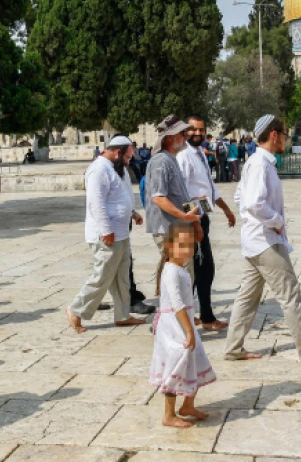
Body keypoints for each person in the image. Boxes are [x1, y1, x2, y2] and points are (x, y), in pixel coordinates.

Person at [224, 115, 301, 365]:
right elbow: (254, 203)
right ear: (274, 134)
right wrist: (275, 221)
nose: (286, 139)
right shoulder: (260, 165)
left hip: (254, 240)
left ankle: (233, 347)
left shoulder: (257, 162)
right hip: (266, 241)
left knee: (248, 296)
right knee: (290, 296)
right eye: (284, 134)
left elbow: (239, 198)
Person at [67, 136, 147, 333]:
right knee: (102, 276)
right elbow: (97, 203)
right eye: (128, 157)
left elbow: (120, 197)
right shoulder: (99, 169)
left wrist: (132, 213)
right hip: (106, 235)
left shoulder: (116, 169)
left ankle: (122, 315)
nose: (130, 161)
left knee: (122, 277)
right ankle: (76, 309)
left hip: (121, 233)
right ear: (118, 152)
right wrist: (106, 230)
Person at [150, 221, 217, 428]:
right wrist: (189, 329)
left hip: (183, 324)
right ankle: (168, 414)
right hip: (174, 328)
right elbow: (177, 303)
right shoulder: (171, 271)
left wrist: (191, 320)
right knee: (177, 364)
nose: (187, 250)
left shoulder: (181, 269)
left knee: (195, 361)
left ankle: (188, 405)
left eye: (190, 245)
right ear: (169, 246)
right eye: (182, 245)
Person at [178, 116, 237, 331]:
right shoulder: (184, 156)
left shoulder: (199, 154)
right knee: (198, 270)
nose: (198, 134)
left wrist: (225, 208)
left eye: (201, 130)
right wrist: (194, 224)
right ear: (186, 130)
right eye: (194, 130)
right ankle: (198, 316)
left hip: (202, 217)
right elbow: (182, 192)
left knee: (203, 270)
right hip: (192, 220)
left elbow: (209, 186)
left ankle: (200, 314)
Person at [146, 115, 202, 294]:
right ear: (170, 138)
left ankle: (176, 314)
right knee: (181, 274)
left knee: (177, 274)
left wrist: (194, 222)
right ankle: (178, 316)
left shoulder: (171, 160)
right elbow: (159, 198)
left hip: (177, 227)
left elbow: (178, 196)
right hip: (168, 227)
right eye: (182, 133)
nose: (186, 136)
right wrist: (185, 216)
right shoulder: (161, 162)